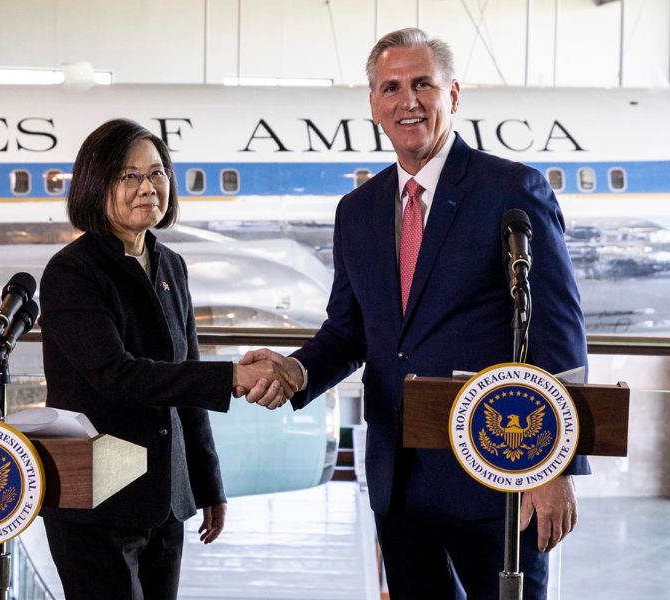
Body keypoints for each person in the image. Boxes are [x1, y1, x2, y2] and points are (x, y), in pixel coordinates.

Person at [238, 28, 589, 599]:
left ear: (453, 94)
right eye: (392, 87)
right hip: (399, 483)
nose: (409, 101)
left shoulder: (511, 189)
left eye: (423, 84)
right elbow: (349, 331)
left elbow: (557, 333)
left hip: (497, 474)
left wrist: (554, 467)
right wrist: (296, 371)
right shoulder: (358, 210)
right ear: (374, 105)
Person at [38, 118, 295, 600]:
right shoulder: (72, 272)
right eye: (129, 176)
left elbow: (186, 381)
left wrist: (208, 485)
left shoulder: (170, 265)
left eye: (157, 173)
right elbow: (117, 376)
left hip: (164, 501)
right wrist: (233, 376)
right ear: (96, 184)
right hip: (95, 500)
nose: (148, 187)